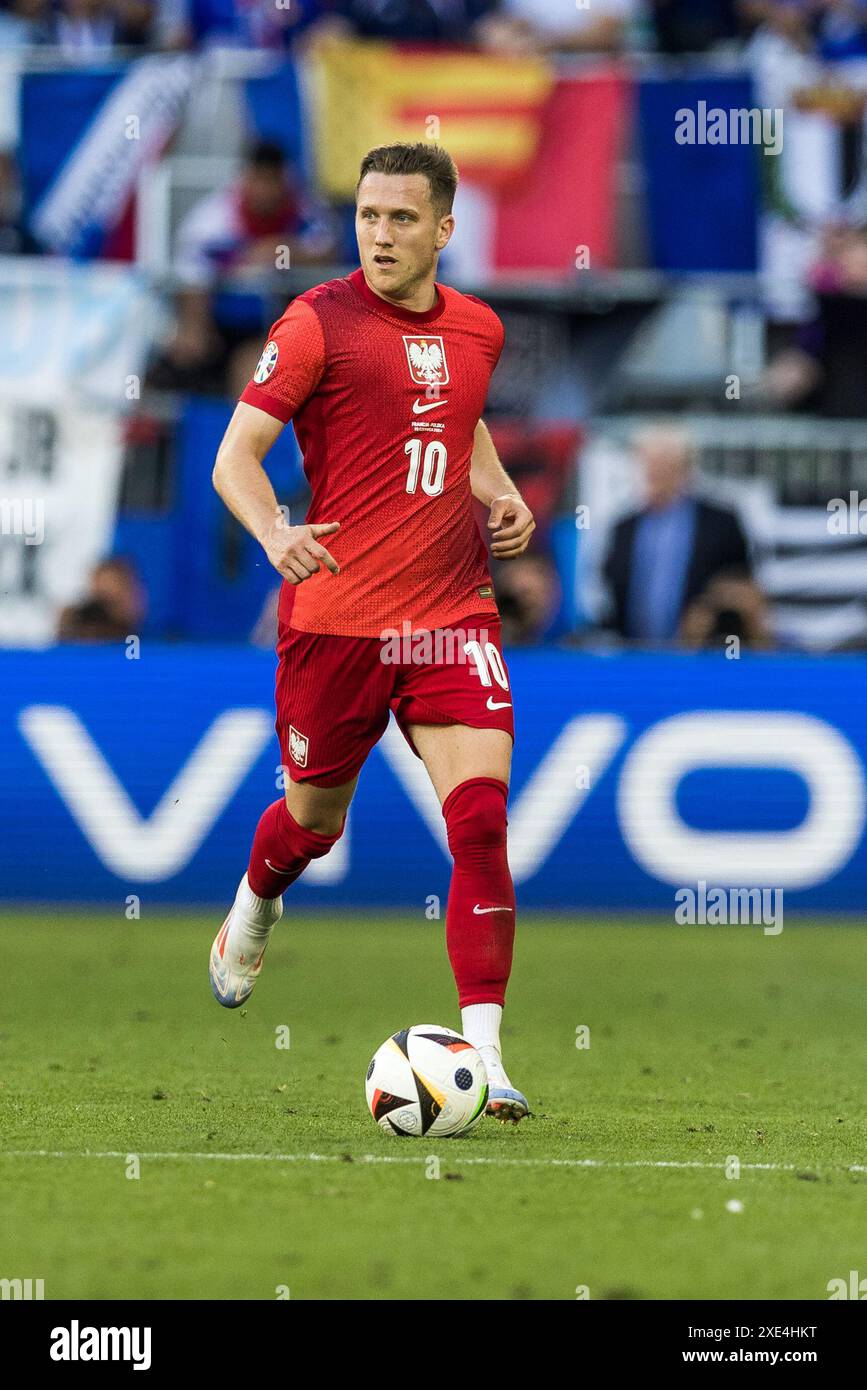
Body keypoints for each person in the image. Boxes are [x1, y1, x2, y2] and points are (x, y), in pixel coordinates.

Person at [208, 142, 536, 1123]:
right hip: (338, 621)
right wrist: (275, 531)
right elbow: (236, 456)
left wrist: (500, 491)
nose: (380, 233)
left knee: (478, 821)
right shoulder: (316, 326)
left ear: (444, 229)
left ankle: (486, 1054)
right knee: (313, 822)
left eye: (401, 218)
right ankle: (255, 906)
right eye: (367, 215)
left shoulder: (480, 327)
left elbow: (455, 413)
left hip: (451, 614)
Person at [602, 424, 753, 642]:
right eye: (648, 462)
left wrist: (709, 610)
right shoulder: (624, 527)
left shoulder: (721, 524)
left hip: (703, 656)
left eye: (664, 464)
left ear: (685, 468)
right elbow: (610, 588)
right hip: (632, 655)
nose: (654, 472)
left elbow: (741, 587)